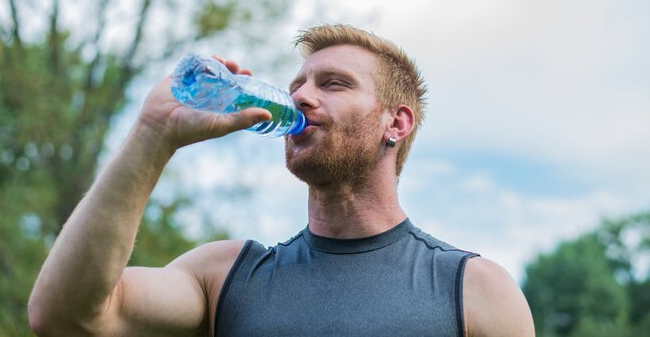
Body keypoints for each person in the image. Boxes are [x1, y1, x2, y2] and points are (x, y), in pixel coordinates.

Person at [29, 24, 535, 337]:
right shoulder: (225, 277)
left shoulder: (472, 289)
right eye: (297, 85)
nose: (300, 98)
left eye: (333, 83)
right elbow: (67, 317)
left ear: (395, 124)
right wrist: (152, 135)